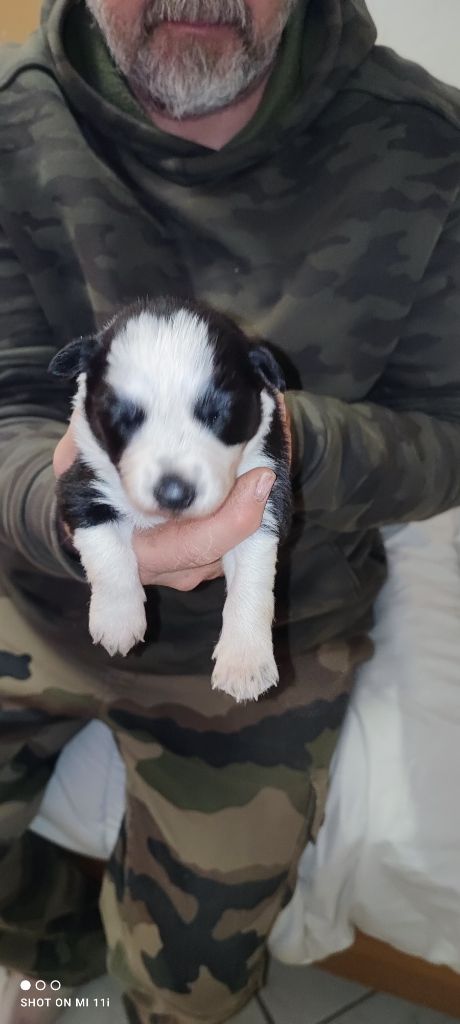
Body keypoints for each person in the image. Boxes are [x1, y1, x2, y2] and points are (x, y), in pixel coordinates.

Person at [0, 0, 459, 1021]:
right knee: (35, 942)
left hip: (282, 613)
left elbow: (446, 436)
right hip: (33, 590)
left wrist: (294, 449)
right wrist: (66, 510)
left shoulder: (430, 147)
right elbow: (6, 395)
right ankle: (52, 953)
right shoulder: (12, 123)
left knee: (193, 986)